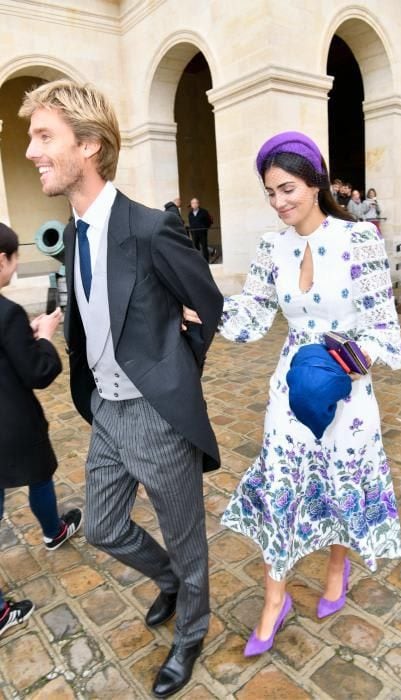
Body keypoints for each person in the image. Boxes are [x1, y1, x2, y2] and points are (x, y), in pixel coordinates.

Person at [20, 80, 223, 698]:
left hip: (158, 413)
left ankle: (191, 631)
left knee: (188, 541)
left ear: (88, 145)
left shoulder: (150, 226)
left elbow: (207, 302)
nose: (32, 151)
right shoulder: (73, 231)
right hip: (105, 410)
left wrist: (173, 369)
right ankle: (168, 582)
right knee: (104, 528)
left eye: (44, 136)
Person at [184, 131, 401, 657]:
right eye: (270, 192)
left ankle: (337, 564)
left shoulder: (360, 240)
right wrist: (201, 311)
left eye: (288, 189)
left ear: (315, 183)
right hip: (288, 389)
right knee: (282, 488)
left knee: (338, 482)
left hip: (347, 389)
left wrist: (341, 367)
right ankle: (274, 598)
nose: (280, 202)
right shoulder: (272, 247)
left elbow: (382, 328)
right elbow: (253, 316)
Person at [0, 222, 82, 638]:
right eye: (14, 258)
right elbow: (38, 372)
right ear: (3, 259)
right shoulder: (7, 312)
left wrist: (24, 338)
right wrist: (46, 337)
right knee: (40, 475)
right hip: (12, 426)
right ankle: (53, 531)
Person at [188, 198, 212, 262]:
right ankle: (198, 262)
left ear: (198, 204)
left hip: (202, 232)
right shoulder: (190, 213)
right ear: (191, 205)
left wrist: (205, 228)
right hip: (194, 233)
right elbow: (190, 223)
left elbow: (209, 221)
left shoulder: (204, 212)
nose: (194, 204)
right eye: (192, 203)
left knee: (204, 247)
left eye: (195, 203)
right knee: (195, 247)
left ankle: (206, 261)